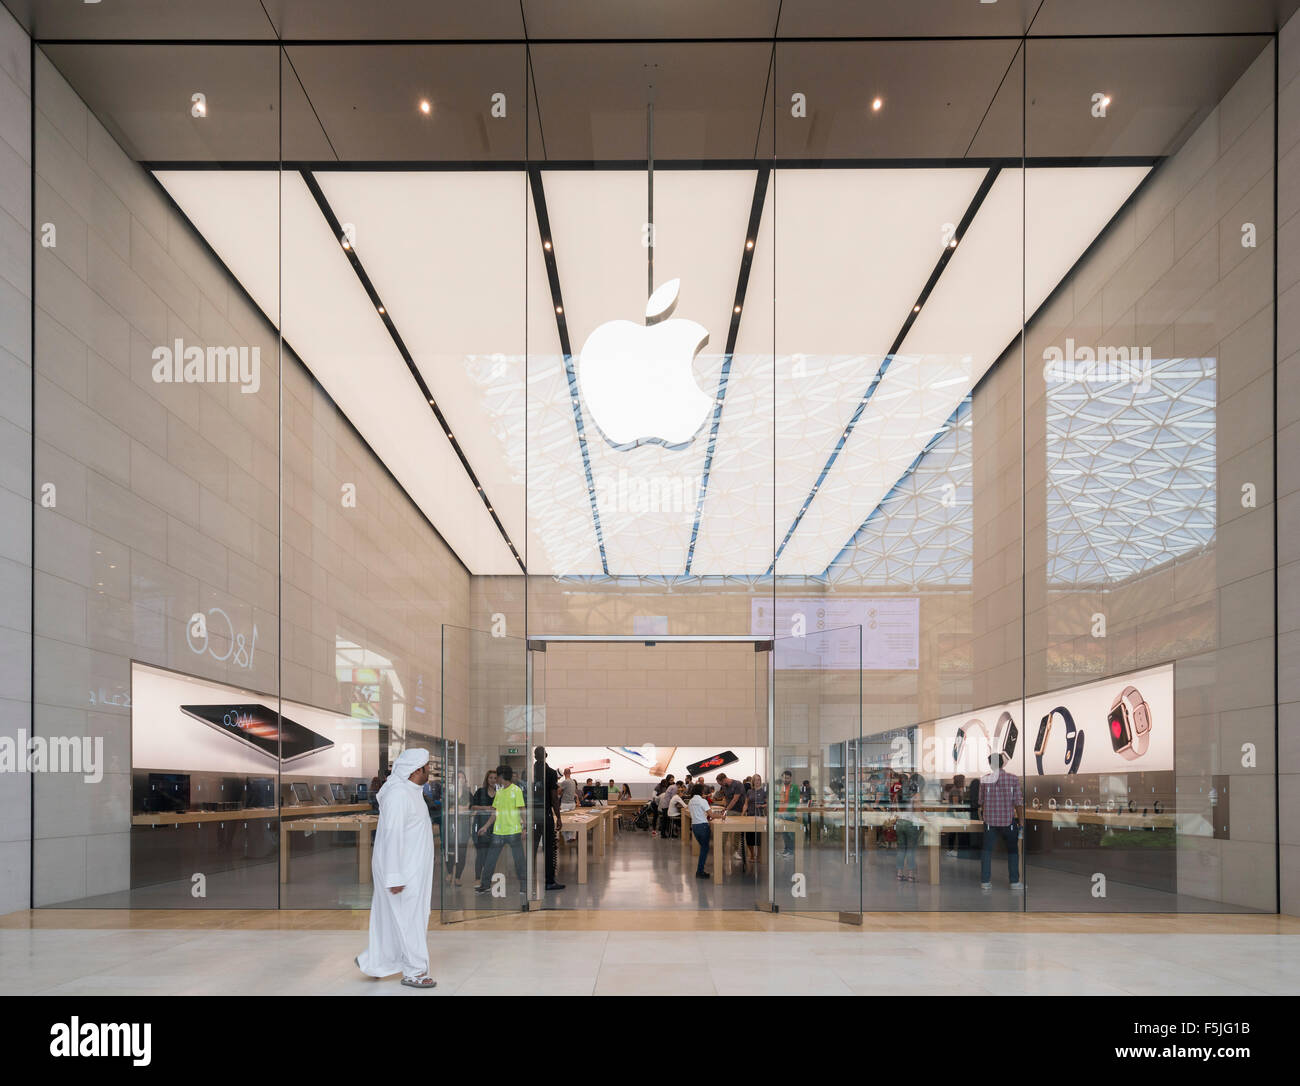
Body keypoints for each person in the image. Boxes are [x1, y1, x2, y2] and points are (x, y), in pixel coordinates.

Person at [355, 748, 436, 989]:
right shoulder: (399, 795)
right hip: (402, 873)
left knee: (396, 921)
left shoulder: (411, 792)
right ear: (416, 770)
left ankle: (373, 961)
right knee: (408, 921)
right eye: (427, 766)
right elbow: (391, 837)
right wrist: (394, 875)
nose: (429, 770)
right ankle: (416, 972)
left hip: (411, 871)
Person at [475, 764, 528, 897]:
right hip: (498, 832)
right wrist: (486, 826)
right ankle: (485, 885)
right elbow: (495, 813)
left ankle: (524, 886)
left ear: (501, 776)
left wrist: (524, 827)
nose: (496, 779)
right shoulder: (499, 792)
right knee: (490, 861)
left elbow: (522, 810)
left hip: (513, 831)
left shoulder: (516, 790)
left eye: (497, 776)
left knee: (519, 861)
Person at [979, 753, 1024, 892]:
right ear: (1002, 763)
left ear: (990, 765)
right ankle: (1014, 882)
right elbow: (1018, 802)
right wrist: (1021, 821)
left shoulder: (984, 780)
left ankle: (985, 882)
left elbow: (981, 802)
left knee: (987, 851)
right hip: (1008, 822)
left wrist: (984, 814)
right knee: (1012, 851)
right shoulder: (1013, 779)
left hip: (989, 822)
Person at [533, 746, 564, 892]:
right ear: (546, 755)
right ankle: (549, 881)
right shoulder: (550, 772)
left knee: (532, 849)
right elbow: (554, 798)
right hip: (545, 814)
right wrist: (558, 817)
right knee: (549, 848)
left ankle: (529, 880)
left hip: (533, 815)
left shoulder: (529, 772)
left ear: (534, 756)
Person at [443, 769, 472, 885]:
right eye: (457, 778)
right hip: (451, 825)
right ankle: (450, 872)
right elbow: (447, 808)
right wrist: (460, 808)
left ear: (465, 780)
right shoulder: (448, 792)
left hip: (463, 826)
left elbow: (468, 808)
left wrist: (456, 808)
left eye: (461, 777)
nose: (460, 780)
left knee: (462, 852)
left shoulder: (468, 794)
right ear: (453, 780)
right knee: (449, 850)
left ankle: (458, 876)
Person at [469, 768, 497, 883]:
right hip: (480, 823)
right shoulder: (480, 791)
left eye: (495, 778)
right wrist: (485, 808)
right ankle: (477, 877)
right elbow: (472, 807)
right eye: (490, 778)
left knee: (491, 853)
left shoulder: (500, 793)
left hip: (495, 825)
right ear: (487, 779)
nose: (493, 780)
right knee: (481, 852)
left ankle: (487, 877)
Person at [895, 769, 920, 883]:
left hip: (900, 823)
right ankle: (910, 875)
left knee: (901, 850)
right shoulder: (914, 795)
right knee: (911, 850)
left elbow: (896, 810)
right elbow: (918, 811)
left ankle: (899, 874)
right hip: (910, 823)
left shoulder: (898, 794)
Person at [687, 784, 715, 879]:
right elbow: (712, 815)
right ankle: (700, 871)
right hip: (703, 827)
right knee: (704, 849)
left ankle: (700, 869)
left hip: (695, 827)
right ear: (701, 791)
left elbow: (696, 813)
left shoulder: (691, 801)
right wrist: (722, 816)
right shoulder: (703, 801)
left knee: (703, 848)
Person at [741, 772, 766, 865]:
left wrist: (762, 805)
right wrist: (743, 814)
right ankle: (752, 855)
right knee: (749, 837)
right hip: (750, 816)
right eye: (755, 780)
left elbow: (768, 803)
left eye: (759, 780)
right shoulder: (749, 791)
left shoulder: (764, 791)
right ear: (752, 781)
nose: (757, 782)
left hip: (760, 817)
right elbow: (746, 804)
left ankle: (759, 855)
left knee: (759, 837)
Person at [774, 769, 799, 858]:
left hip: (789, 814)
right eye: (784, 778)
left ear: (790, 778)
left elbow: (796, 801)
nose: (785, 780)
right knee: (784, 834)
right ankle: (786, 850)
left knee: (790, 834)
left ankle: (791, 852)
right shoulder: (780, 787)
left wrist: (789, 810)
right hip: (781, 814)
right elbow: (778, 800)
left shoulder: (795, 787)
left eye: (787, 778)